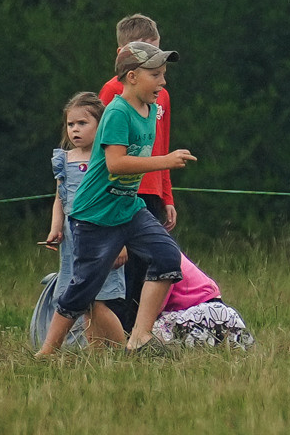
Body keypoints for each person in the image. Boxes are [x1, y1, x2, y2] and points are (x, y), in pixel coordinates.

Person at [37, 42, 198, 356]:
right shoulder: (116, 113)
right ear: (133, 76)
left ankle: (140, 336)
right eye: (156, 75)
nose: (163, 82)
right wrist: (166, 161)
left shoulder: (150, 110)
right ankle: (46, 353)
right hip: (94, 215)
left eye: (164, 74)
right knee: (83, 289)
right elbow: (116, 164)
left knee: (167, 258)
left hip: (128, 209)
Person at [32, 92, 132, 348]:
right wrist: (56, 229)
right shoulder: (63, 161)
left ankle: (124, 350)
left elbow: (120, 201)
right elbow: (60, 199)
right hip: (74, 243)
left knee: (97, 302)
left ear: (101, 126)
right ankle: (96, 354)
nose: (75, 129)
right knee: (84, 304)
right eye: (71, 124)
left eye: (83, 123)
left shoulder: (108, 161)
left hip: (103, 239)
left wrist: (121, 243)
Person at [97, 14, 178, 233]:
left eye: (156, 53)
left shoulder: (162, 96)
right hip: (121, 189)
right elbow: (102, 149)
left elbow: (162, 146)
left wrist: (166, 195)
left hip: (153, 190)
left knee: (151, 259)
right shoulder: (113, 93)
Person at [149, 253, 253, 348]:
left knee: (149, 331)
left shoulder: (159, 254)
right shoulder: (159, 247)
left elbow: (155, 306)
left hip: (203, 314)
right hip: (213, 312)